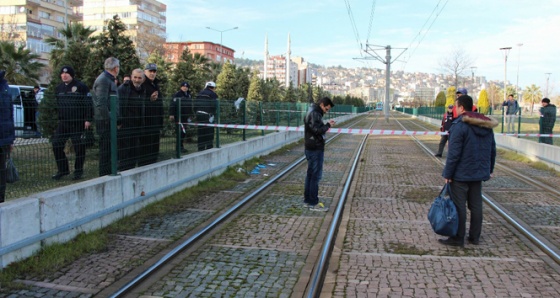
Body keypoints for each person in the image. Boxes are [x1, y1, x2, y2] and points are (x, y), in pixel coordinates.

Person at [440, 95, 498, 247]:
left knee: (459, 206)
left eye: (456, 106)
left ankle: (458, 238)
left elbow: (454, 154)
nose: (454, 109)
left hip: (461, 173)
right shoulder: (485, 125)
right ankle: (474, 237)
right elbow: (492, 149)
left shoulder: (460, 125)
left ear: (461, 108)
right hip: (478, 173)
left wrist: (448, 173)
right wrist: (489, 169)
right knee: (476, 205)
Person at [51, 66, 92, 180]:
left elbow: (88, 103)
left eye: (67, 74)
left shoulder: (81, 87)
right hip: (63, 122)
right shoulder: (59, 88)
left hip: (77, 123)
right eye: (62, 74)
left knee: (79, 148)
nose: (64, 75)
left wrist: (88, 119)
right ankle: (63, 169)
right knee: (56, 144)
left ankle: (78, 171)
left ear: (72, 75)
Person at [303, 97, 336, 212]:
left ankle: (308, 200)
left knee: (310, 175)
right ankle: (313, 202)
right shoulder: (315, 113)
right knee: (315, 176)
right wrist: (328, 126)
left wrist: (326, 124)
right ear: (322, 105)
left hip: (311, 146)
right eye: (326, 109)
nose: (326, 111)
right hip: (315, 148)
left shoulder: (312, 111)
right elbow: (317, 130)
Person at [92, 57, 120, 176]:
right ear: (115, 68)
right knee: (105, 149)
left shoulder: (109, 79)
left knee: (109, 148)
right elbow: (101, 103)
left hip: (108, 120)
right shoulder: (103, 80)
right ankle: (104, 174)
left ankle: (109, 171)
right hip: (105, 121)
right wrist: (110, 118)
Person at [117, 69, 147, 170]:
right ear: (131, 77)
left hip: (137, 124)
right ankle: (123, 170)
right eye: (135, 77)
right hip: (125, 123)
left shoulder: (142, 89)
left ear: (143, 79)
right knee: (125, 150)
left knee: (135, 149)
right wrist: (119, 121)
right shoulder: (123, 88)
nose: (137, 80)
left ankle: (132, 169)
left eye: (139, 78)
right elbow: (118, 105)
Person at [139, 63, 164, 166]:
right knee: (146, 147)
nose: (152, 73)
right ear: (145, 72)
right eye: (150, 71)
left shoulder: (156, 85)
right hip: (146, 122)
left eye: (154, 71)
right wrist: (149, 100)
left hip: (156, 121)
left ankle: (153, 162)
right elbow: (139, 101)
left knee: (154, 146)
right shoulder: (143, 84)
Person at [0, 70, 15, 203]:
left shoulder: (5, 88)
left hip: (3, 137)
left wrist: (11, 139)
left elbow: (10, 115)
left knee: (1, 170)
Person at [169, 81, 193, 153]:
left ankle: (181, 146)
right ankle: (178, 148)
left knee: (183, 132)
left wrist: (190, 115)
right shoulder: (177, 94)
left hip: (185, 116)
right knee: (179, 132)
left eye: (186, 87)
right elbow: (172, 104)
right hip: (178, 116)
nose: (185, 88)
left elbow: (190, 106)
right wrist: (171, 114)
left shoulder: (188, 95)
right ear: (181, 87)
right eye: (183, 86)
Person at [195, 81, 218, 151]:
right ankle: (209, 147)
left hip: (199, 114)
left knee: (201, 132)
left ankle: (200, 148)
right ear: (213, 88)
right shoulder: (212, 94)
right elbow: (214, 105)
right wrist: (213, 113)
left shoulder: (200, 93)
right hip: (207, 115)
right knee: (209, 131)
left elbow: (195, 104)